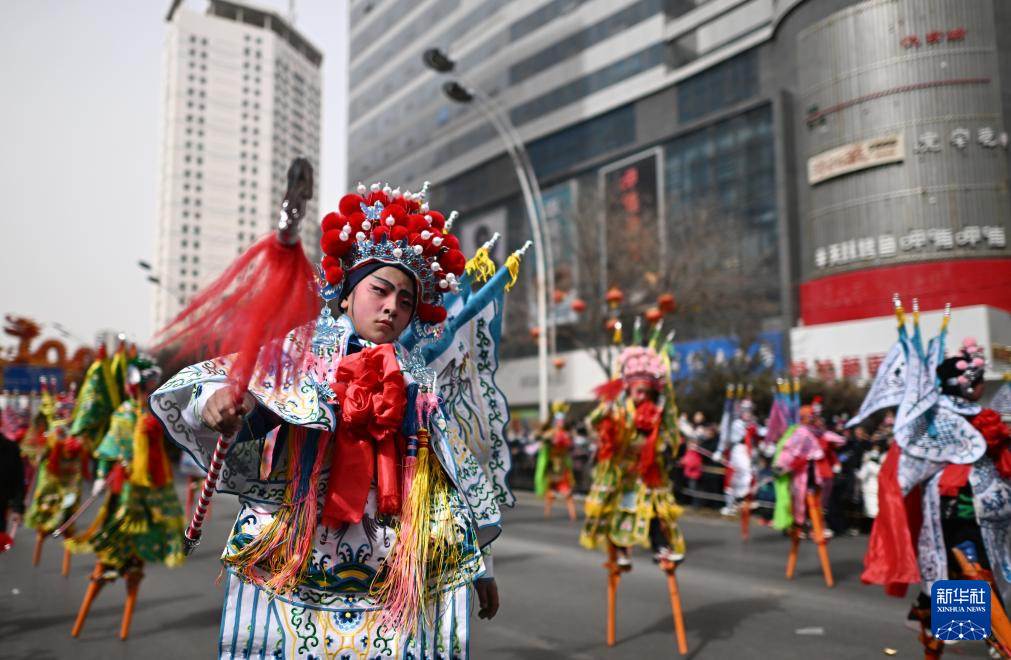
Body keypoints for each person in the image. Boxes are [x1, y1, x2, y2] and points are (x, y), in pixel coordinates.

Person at [151, 182, 514, 658]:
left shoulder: (420, 381)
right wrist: (218, 405)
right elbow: (245, 398)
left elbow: (453, 476)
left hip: (397, 570)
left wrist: (482, 564)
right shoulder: (303, 354)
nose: (392, 307)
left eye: (406, 301)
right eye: (380, 290)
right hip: (300, 558)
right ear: (345, 295)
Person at [855, 307, 1011, 657]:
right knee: (972, 579)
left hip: (982, 515)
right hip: (955, 517)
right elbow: (911, 467)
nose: (982, 385)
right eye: (978, 379)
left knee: (970, 586)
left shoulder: (982, 416)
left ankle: (949, 630)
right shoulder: (937, 419)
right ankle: (997, 641)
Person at [68, 355, 185, 639]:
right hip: (126, 493)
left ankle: (131, 575)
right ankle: (104, 573)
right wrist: (101, 476)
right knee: (111, 548)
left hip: (150, 493)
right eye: (147, 383)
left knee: (138, 557)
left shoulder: (156, 413)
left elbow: (166, 449)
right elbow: (110, 449)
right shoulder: (122, 414)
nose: (150, 388)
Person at [581, 343, 685, 566]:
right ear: (629, 388)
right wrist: (607, 414)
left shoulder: (655, 411)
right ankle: (620, 552)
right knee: (620, 510)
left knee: (656, 510)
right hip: (621, 472)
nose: (642, 395)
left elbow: (667, 436)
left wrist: (664, 446)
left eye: (646, 391)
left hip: (647, 471)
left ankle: (661, 548)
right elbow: (593, 423)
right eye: (638, 390)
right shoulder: (618, 408)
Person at [535, 402, 577, 520]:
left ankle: (572, 515)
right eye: (558, 421)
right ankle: (547, 514)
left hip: (563, 466)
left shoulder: (566, 434)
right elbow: (539, 436)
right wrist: (546, 438)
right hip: (552, 466)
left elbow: (570, 445)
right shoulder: (550, 433)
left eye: (562, 421)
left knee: (568, 493)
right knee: (550, 493)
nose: (560, 423)